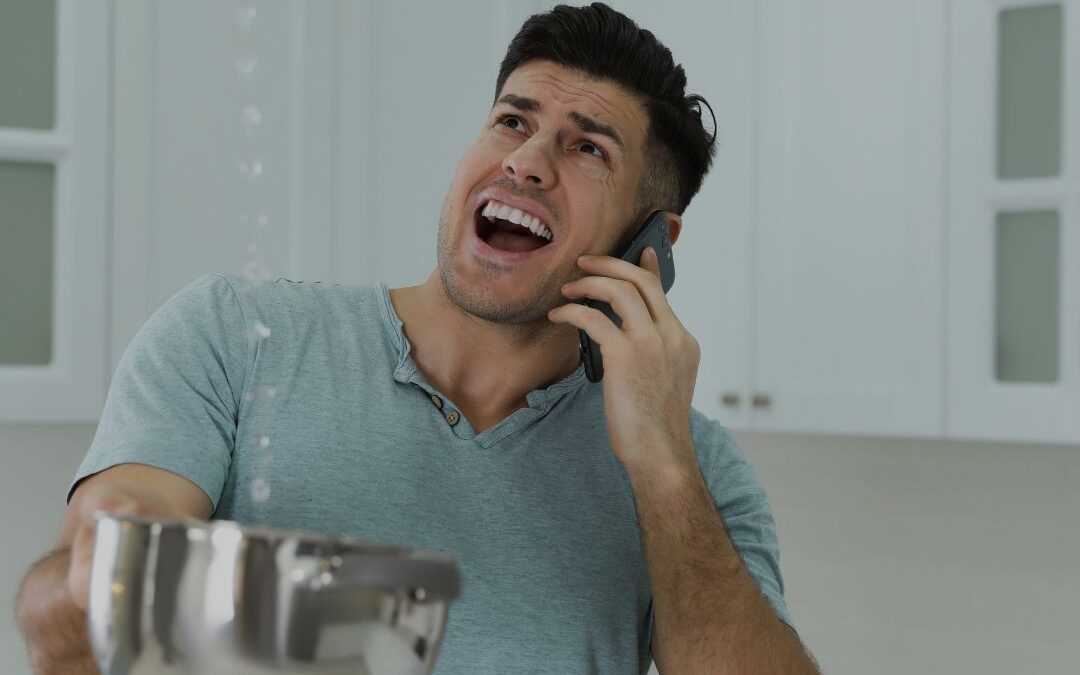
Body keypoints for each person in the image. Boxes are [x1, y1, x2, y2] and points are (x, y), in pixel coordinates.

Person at [16, 3, 820, 673]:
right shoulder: (236, 335)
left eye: (587, 147)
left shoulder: (696, 468)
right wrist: (123, 572)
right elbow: (59, 631)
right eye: (513, 120)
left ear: (651, 243)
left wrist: (663, 465)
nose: (527, 161)